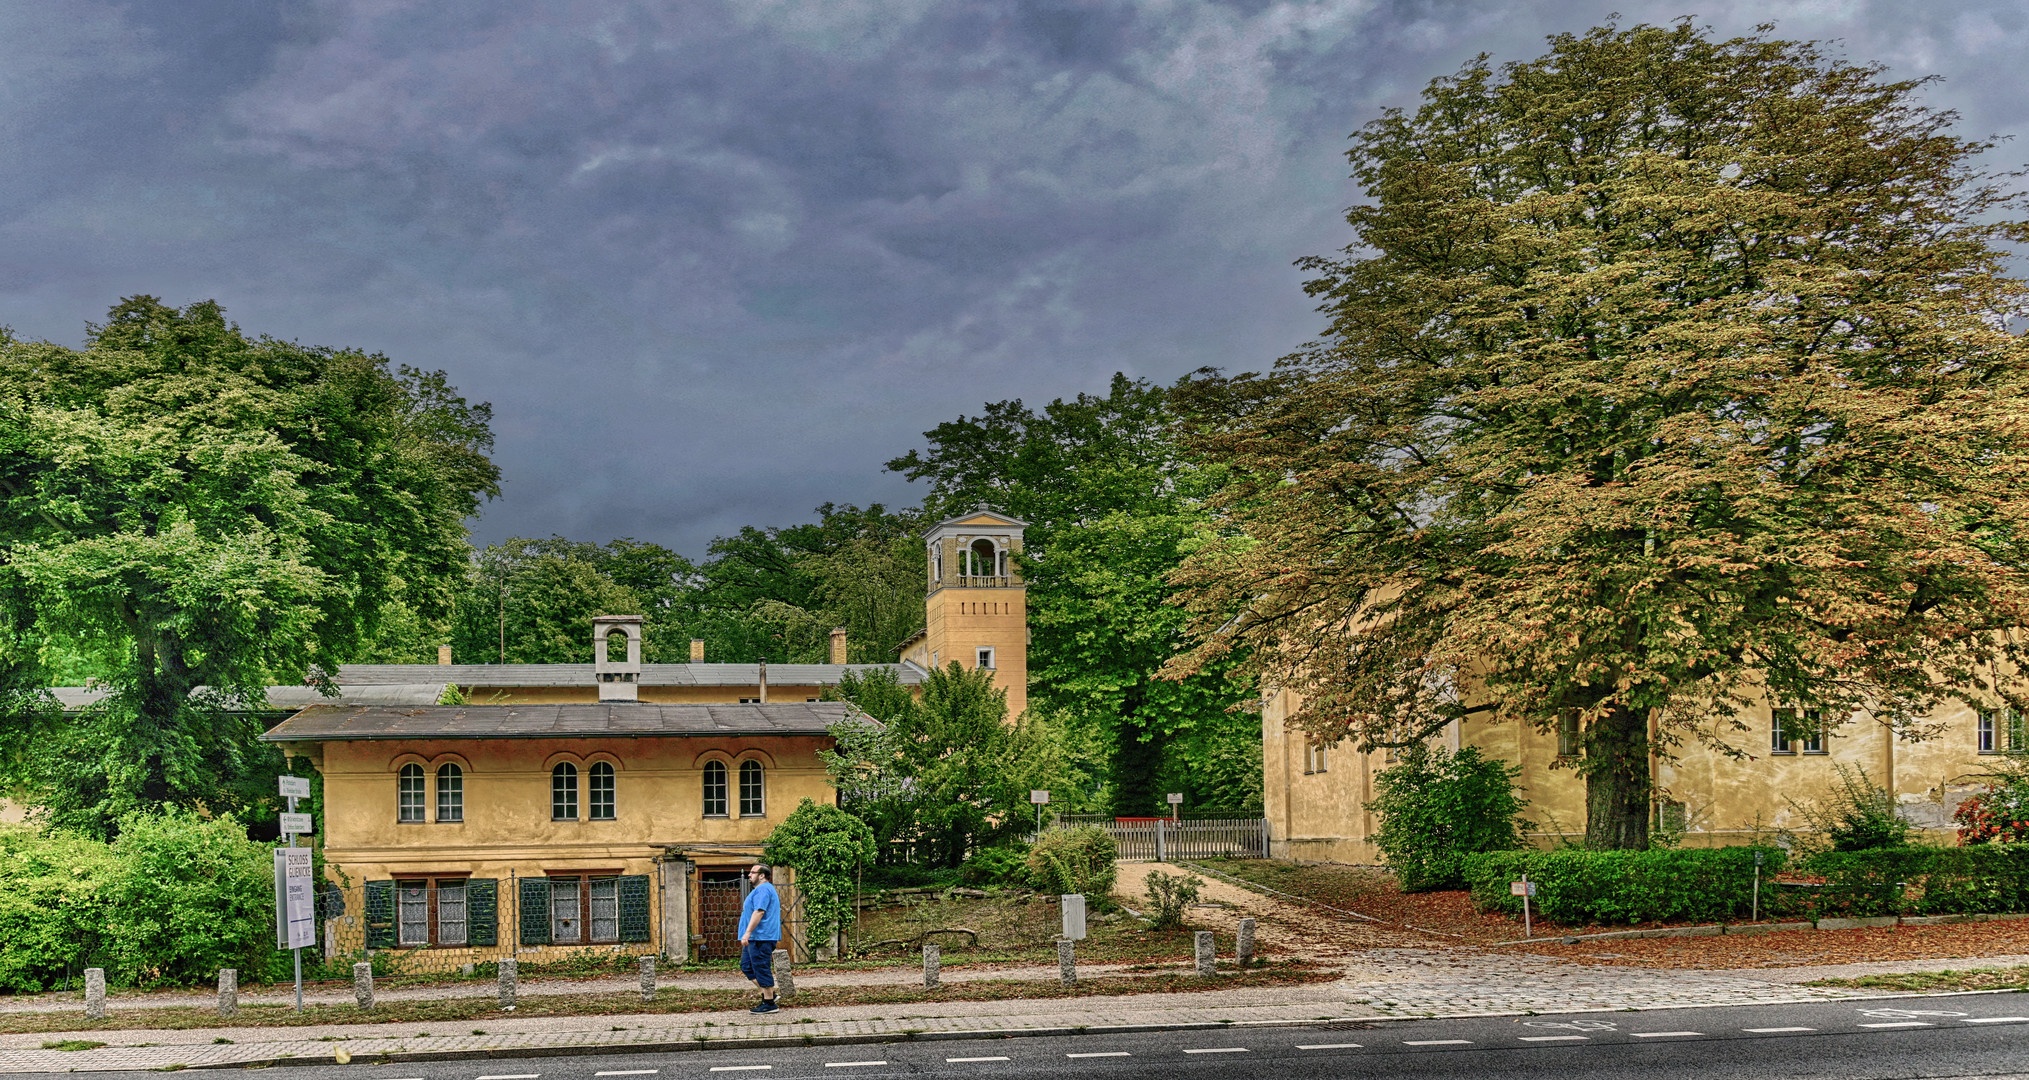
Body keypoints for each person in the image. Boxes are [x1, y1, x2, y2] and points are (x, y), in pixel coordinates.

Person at [738, 863, 782, 1013]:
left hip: (761, 937)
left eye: (752, 872)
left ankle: (769, 1003)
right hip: (755, 938)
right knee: (747, 966)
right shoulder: (760, 890)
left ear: (762, 875)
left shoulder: (763, 889)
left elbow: (759, 912)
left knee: (761, 968)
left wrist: (748, 932)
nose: (749, 875)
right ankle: (770, 994)